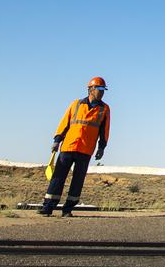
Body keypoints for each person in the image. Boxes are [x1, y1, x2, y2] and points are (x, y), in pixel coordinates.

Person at [39, 77, 111, 217]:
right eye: (99, 89)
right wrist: (57, 139)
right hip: (68, 146)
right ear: (91, 89)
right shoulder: (76, 104)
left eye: (104, 90)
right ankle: (48, 207)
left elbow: (105, 130)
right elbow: (64, 122)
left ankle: (68, 209)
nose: (102, 92)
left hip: (86, 149)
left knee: (78, 180)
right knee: (58, 177)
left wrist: (101, 147)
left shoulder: (104, 109)